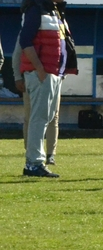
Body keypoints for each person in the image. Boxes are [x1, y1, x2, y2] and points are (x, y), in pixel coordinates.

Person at [19, 0, 78, 178]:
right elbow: (25, 41)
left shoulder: (53, 10)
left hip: (53, 74)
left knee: (46, 117)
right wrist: (40, 69)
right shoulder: (36, 8)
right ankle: (33, 163)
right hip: (42, 74)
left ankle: (37, 162)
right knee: (39, 118)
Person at [13, 35, 61, 168]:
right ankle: (31, 152)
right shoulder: (28, 31)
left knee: (53, 116)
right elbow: (17, 54)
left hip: (54, 76)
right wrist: (17, 77)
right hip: (33, 77)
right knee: (31, 117)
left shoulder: (58, 28)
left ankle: (50, 154)